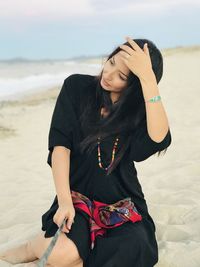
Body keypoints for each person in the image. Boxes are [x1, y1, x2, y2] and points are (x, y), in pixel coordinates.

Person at [0, 36, 172, 267]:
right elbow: (60, 146)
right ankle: (32, 247)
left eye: (122, 76)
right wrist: (64, 202)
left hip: (120, 203)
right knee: (60, 254)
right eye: (111, 63)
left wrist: (149, 79)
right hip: (75, 199)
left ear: (136, 85)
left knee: (137, 246)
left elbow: (158, 138)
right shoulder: (76, 87)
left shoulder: (140, 112)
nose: (108, 75)